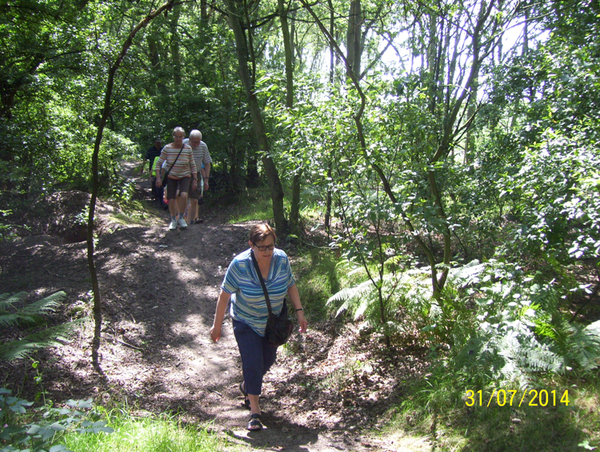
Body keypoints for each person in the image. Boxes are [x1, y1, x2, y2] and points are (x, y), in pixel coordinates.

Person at [210, 224, 308, 431]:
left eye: (270, 247)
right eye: (262, 247)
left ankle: (247, 385)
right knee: (253, 362)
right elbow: (224, 295)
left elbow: (290, 284)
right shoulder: (239, 264)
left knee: (268, 359)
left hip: (272, 323)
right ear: (251, 245)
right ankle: (255, 411)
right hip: (246, 320)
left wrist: (299, 312)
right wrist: (216, 326)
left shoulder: (281, 260)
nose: (267, 252)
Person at [155, 127, 197, 230]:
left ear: (184, 137)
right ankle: (173, 219)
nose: (178, 139)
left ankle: (181, 217)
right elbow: (158, 163)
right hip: (172, 176)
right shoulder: (167, 148)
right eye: (176, 137)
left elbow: (192, 164)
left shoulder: (187, 149)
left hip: (185, 176)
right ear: (173, 136)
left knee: (183, 195)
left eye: (181, 137)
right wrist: (158, 178)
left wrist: (195, 179)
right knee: (171, 199)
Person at [183, 129, 211, 225]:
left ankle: (192, 221)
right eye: (194, 142)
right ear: (190, 139)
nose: (196, 144)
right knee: (183, 196)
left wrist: (206, 179)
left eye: (198, 142)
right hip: (183, 173)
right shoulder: (183, 144)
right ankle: (183, 219)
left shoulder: (203, 146)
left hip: (197, 173)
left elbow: (207, 163)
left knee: (195, 200)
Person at [145, 137, 165, 207]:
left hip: (162, 169)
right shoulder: (151, 150)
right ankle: (155, 197)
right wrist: (142, 166)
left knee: (161, 185)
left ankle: (160, 199)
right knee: (154, 183)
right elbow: (146, 158)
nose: (158, 144)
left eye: (159, 143)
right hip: (153, 169)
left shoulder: (163, 150)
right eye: (157, 143)